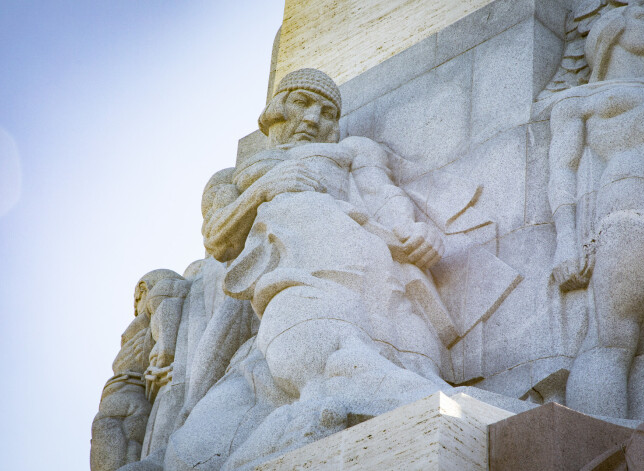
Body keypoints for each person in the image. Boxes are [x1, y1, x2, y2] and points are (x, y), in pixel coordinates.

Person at [164, 68, 451, 470]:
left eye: (327, 111)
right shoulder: (230, 178)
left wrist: (415, 231)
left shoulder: (352, 149)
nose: (314, 119)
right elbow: (218, 240)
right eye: (301, 103)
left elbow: (382, 195)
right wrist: (263, 189)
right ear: (276, 109)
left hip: (357, 257)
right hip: (279, 270)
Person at [548, 6, 644, 420]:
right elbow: (562, 168)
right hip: (631, 209)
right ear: (612, 30)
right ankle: (598, 450)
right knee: (612, 338)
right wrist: (565, 240)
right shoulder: (580, 100)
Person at [91, 269, 182, 471]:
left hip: (127, 394)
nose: (135, 312)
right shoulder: (147, 321)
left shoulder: (159, 298)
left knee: (111, 433)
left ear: (143, 289)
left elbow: (165, 306)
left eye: (136, 302)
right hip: (132, 394)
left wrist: (164, 356)